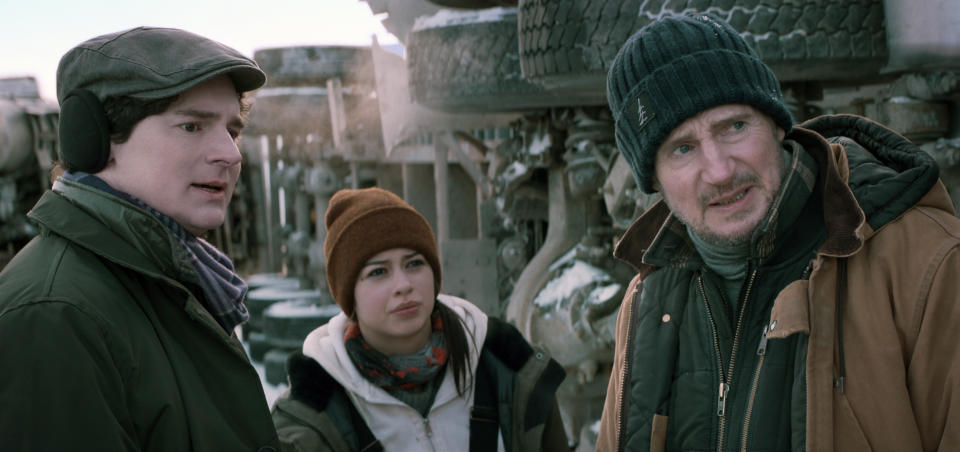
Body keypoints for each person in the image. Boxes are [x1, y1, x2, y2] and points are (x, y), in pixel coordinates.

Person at [596, 12, 960, 452]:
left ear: (777, 123)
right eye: (683, 148)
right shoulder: (646, 304)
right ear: (654, 180)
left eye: (734, 126)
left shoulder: (926, 266)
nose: (720, 170)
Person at [0, 27, 281, 450]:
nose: (231, 153)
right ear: (94, 138)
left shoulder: (171, 278)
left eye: (232, 130)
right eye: (191, 126)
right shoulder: (57, 316)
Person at [271, 187, 570, 451]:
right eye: (378, 272)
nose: (403, 285)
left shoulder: (508, 369)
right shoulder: (315, 413)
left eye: (414, 264)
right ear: (350, 297)